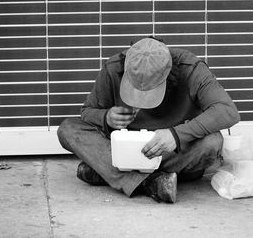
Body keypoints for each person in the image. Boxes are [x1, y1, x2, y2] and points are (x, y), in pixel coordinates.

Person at [57, 37, 240, 203]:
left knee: (213, 141)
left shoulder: (191, 69)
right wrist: (106, 117)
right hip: (124, 150)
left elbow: (228, 111)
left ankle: (110, 173)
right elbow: (87, 112)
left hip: (172, 152)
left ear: (169, 74)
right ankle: (151, 182)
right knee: (68, 129)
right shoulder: (113, 68)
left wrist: (176, 135)